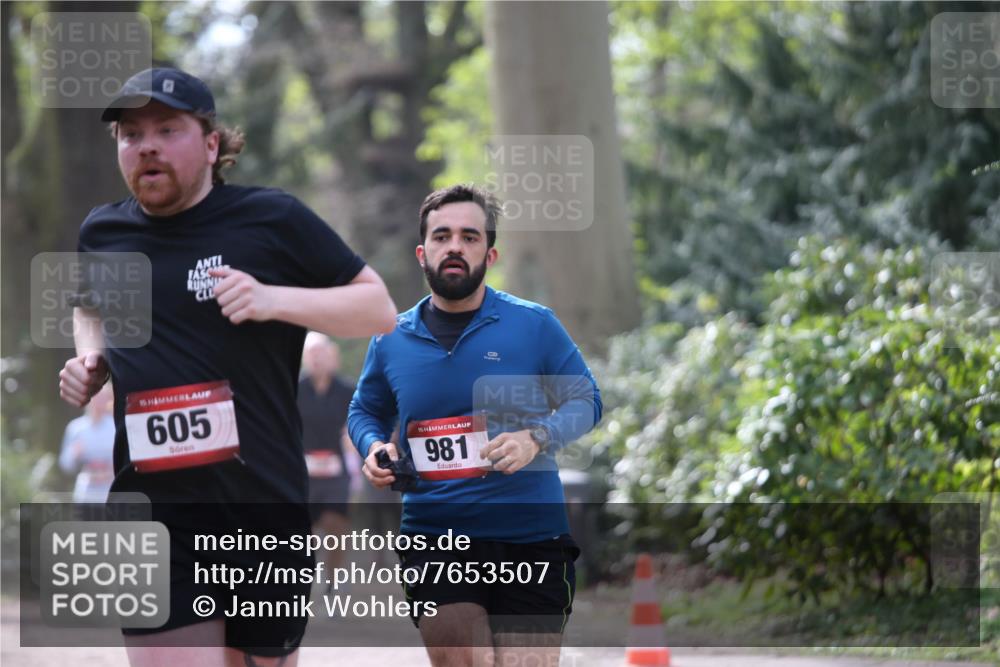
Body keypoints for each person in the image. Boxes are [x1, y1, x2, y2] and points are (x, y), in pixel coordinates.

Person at [57, 67, 396, 667]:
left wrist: (274, 299)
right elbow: (89, 307)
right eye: (130, 134)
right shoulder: (102, 233)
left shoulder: (272, 220)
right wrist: (92, 356)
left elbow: (378, 308)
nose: (147, 145)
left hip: (260, 504)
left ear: (212, 145)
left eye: (167, 128)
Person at [348, 184, 602, 667]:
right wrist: (374, 446)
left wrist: (537, 438)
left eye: (469, 237)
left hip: (532, 537)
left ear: (491, 252)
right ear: (423, 252)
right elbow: (365, 410)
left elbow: (586, 399)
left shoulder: (534, 325)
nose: (455, 247)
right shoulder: (391, 338)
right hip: (436, 536)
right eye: (442, 236)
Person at [298, 332, 354, 579]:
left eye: (321, 352)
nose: (316, 358)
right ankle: (303, 581)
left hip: (335, 470)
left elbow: (361, 421)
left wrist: (353, 436)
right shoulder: (294, 388)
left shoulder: (347, 390)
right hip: (303, 470)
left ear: (333, 356)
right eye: (311, 353)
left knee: (335, 526)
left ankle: (333, 580)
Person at [58, 383, 116, 504]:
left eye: (104, 397)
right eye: (96, 397)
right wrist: (73, 453)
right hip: (85, 496)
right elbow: (65, 465)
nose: (99, 401)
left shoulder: (115, 427)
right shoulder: (76, 428)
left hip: (110, 496)